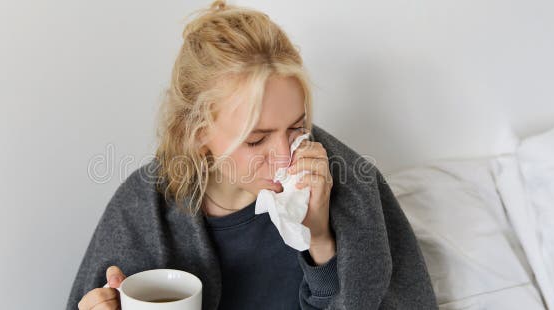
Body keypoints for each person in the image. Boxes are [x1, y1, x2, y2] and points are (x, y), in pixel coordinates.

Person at [67, 1, 437, 309]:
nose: (281, 156)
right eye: (256, 139)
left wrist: (321, 239)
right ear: (197, 135)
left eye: (297, 126)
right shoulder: (143, 209)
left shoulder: (351, 183)